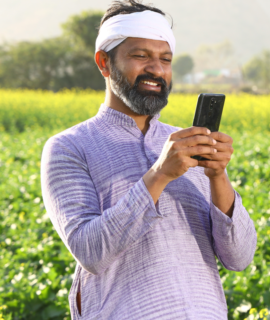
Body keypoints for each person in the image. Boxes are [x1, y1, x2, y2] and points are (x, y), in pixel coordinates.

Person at [40, 1, 257, 319]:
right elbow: (91, 252)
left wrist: (217, 175)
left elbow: (239, 257)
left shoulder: (186, 143)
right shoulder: (68, 148)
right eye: (140, 56)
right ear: (104, 62)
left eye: (165, 59)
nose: (156, 70)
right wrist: (160, 174)